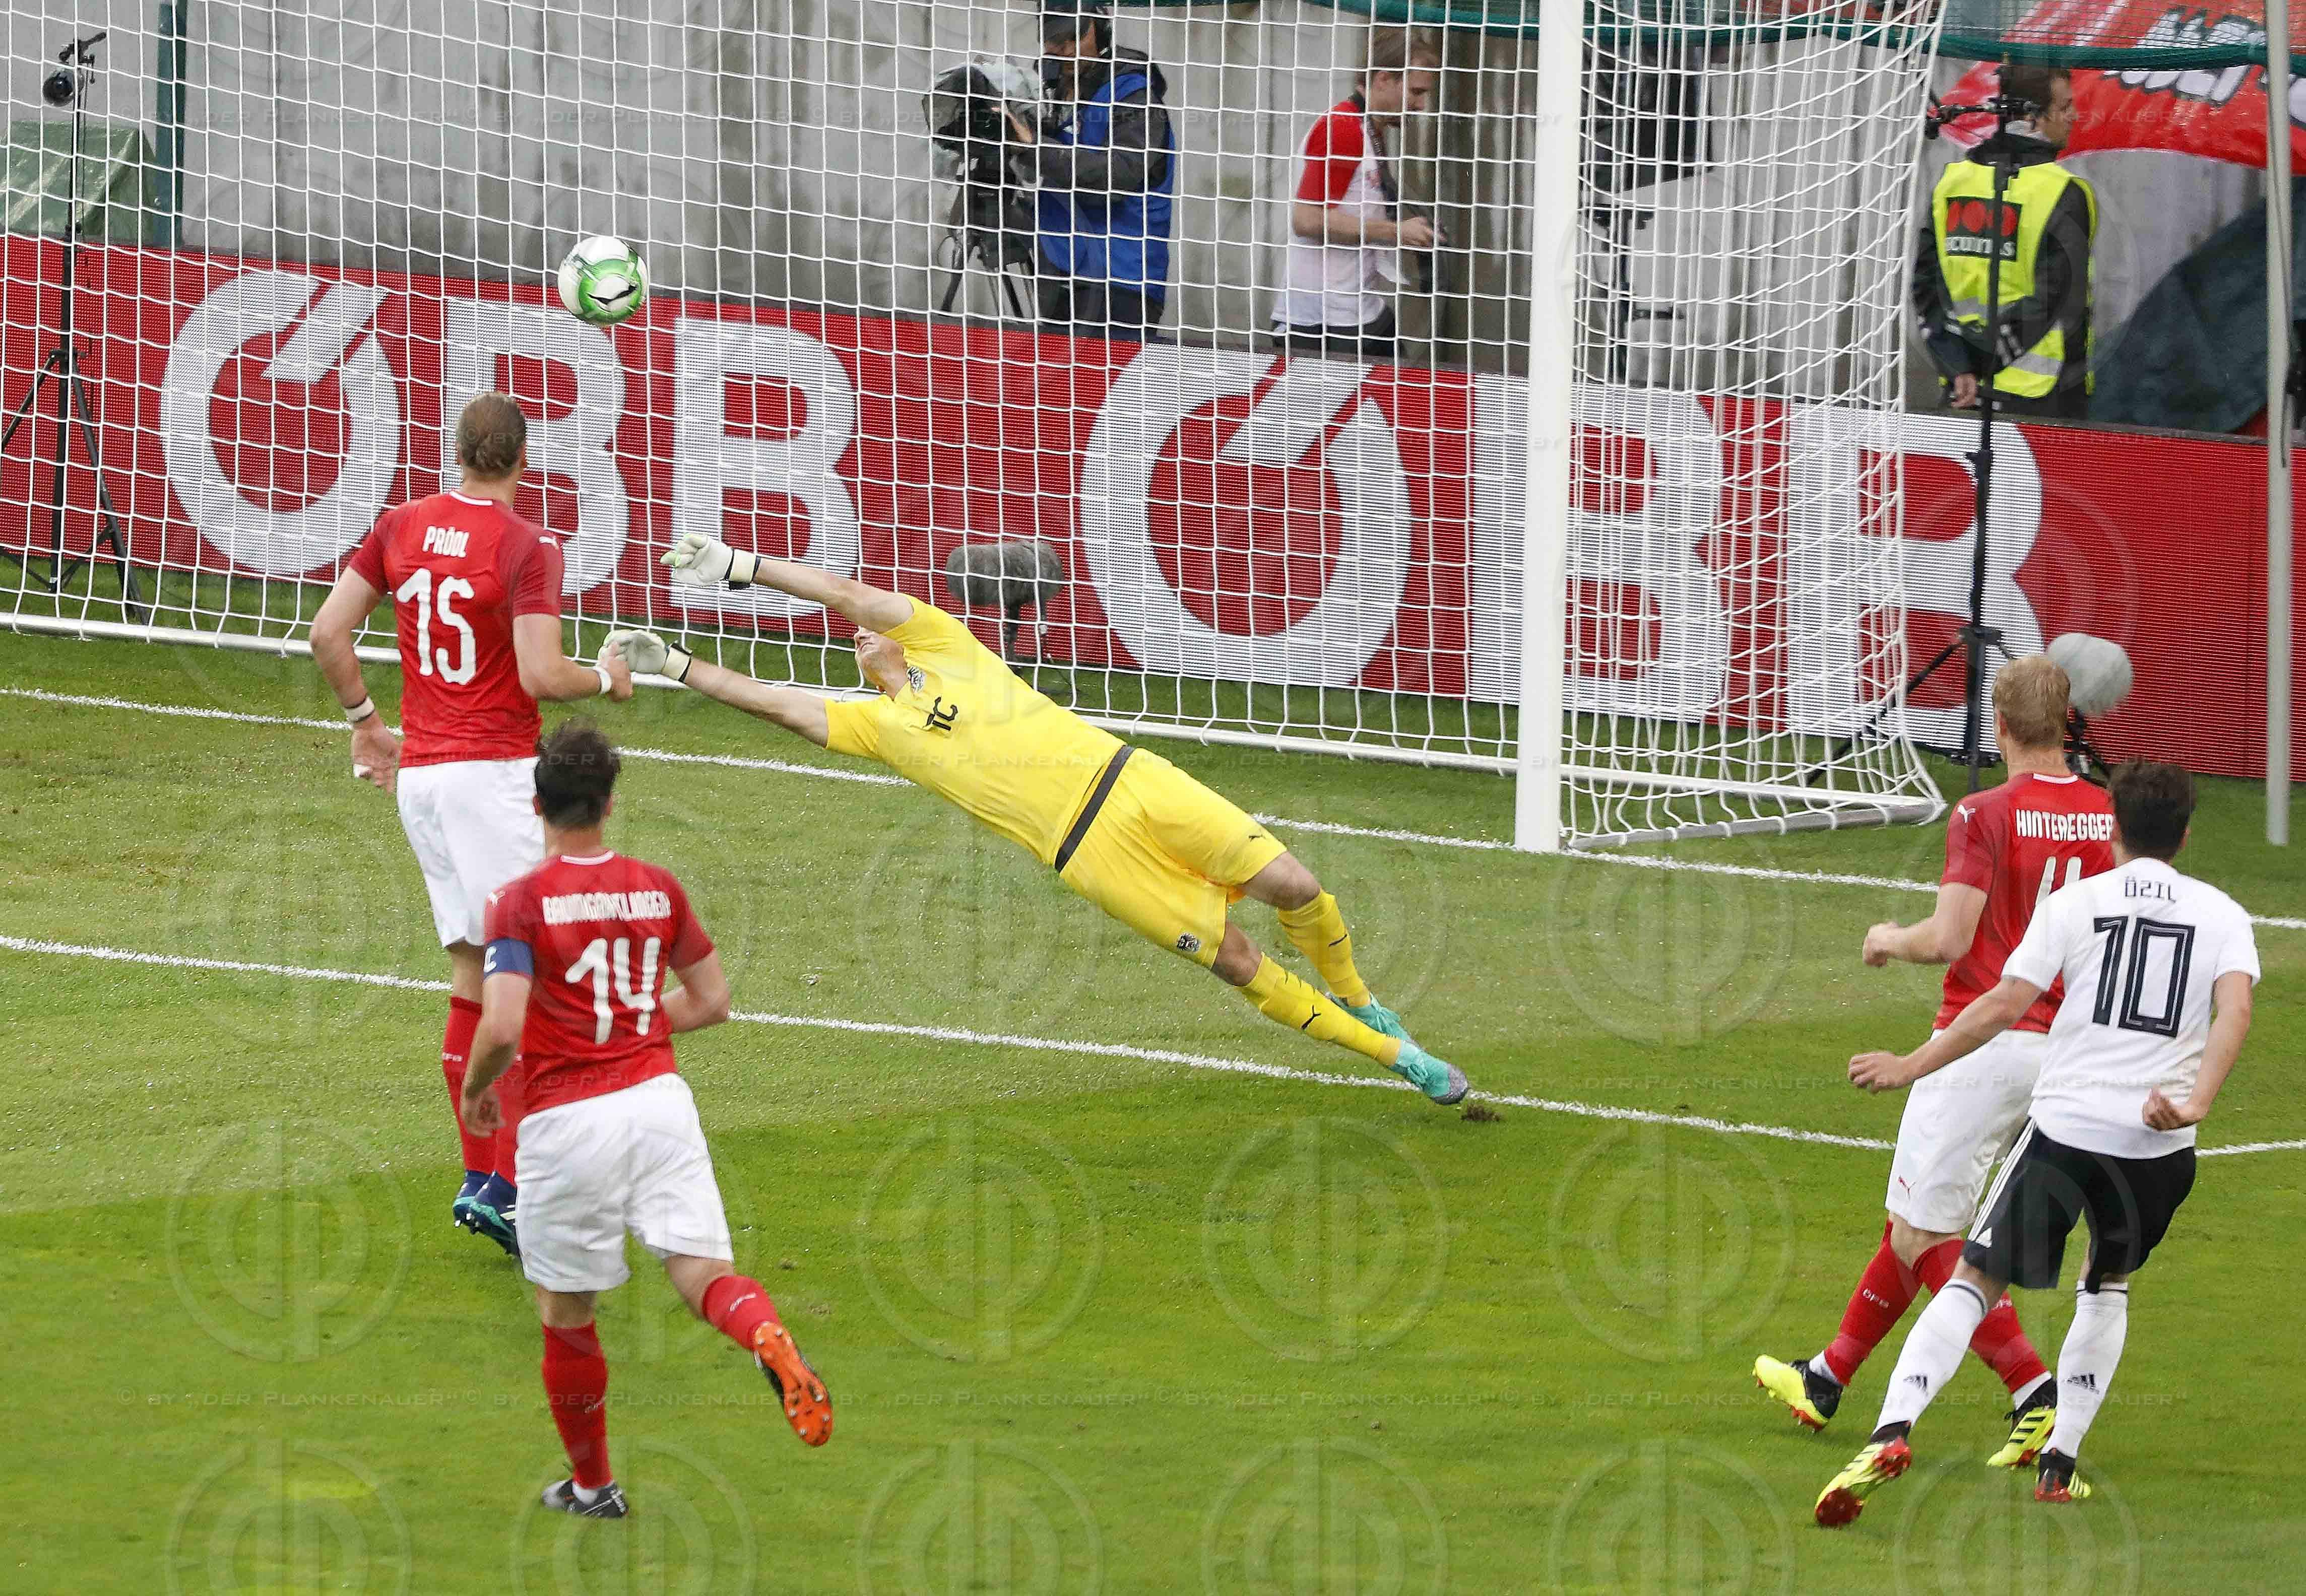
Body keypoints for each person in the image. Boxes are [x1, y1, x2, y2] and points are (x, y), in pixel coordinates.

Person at [601, 531, 1470, 1107]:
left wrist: (740, 568)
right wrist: (679, 663)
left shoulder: (947, 643)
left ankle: (1361, 999)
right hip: (1091, 854)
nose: (857, 643)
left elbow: (844, 593)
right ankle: (1400, 1060)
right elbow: (780, 705)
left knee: (1293, 883)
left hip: (1133, 781)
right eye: (853, 653)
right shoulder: (879, 727)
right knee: (1237, 959)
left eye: (864, 637)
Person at [1816, 760, 2256, 1525]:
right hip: (2156, 1151)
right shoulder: (2224, 915)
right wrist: (2192, 1106)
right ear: (2185, 834)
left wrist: (1911, 1064)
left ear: (2112, 827)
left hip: (2068, 1131)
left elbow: (2005, 1004)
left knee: (1974, 1278)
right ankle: (2060, 1465)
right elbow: (2235, 1015)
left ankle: (1892, 1429)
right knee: (2106, 1284)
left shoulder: (2076, 904)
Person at [461, 721, 832, 1519]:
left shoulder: (517, 903)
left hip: (568, 1123)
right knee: (702, 1275)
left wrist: (476, 1094)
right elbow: (712, 1001)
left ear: (537, 804)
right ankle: (766, 1335)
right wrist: (633, 1026)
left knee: (567, 1316)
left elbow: (498, 1027)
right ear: (610, 804)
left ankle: (593, 1487)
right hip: (662, 1106)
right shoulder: (657, 887)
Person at [1754, 657, 2110, 1464]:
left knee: (1927, 1235)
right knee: (1916, 1218)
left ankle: (2034, 1389)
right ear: (2066, 723)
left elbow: (1950, 938)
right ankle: (1827, 1376)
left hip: (1980, 1044)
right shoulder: (2106, 814)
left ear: (2000, 727)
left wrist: (1888, 938)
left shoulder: (1984, 811)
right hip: (2069, 1055)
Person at [309, 392, 634, 1256]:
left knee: (468, 969)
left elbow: (328, 630)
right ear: (524, 460)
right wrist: (603, 676)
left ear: (457, 452)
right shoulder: (526, 546)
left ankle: (482, 1176)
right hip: (489, 780)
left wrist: (366, 723)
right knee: (531, 980)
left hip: (422, 777)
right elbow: (539, 673)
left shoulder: (401, 524)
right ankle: (516, 1186)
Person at [1913, 63, 2096, 419]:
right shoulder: (2064, 192)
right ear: (2030, 119)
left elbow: (1925, 285)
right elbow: (2051, 297)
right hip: (2043, 394)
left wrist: (1958, 364)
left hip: (1962, 386)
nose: (2075, 116)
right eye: (2064, 107)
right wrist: (1982, 363)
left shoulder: (1952, 182)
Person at [1009, 0, 1175, 342]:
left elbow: (1114, 178)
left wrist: (1035, 146)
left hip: (1120, 283)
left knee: (1107, 394)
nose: (1064, 49)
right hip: (1061, 272)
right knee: (1056, 393)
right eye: (1054, 38)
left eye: (1074, 36)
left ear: (1102, 33)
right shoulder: (1050, 95)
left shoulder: (1135, 98)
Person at [1274, 30, 1442, 362]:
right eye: (1416, 92)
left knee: (1405, 399)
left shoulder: (1368, 129)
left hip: (1358, 311)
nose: (1422, 105)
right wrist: (1398, 233)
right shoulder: (1344, 128)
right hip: (1322, 322)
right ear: (1383, 79)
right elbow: (1306, 220)